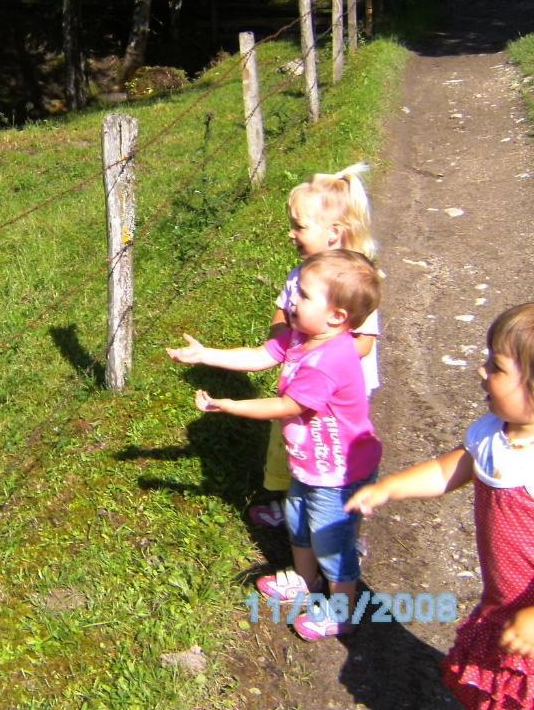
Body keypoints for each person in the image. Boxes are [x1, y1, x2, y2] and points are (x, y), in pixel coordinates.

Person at [167, 249, 382, 640]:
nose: (292, 301)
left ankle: (343, 609)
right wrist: (205, 355)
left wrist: (230, 405)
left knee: (333, 545)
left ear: (337, 316)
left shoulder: (331, 360)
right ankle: (305, 580)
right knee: (299, 526)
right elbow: (263, 354)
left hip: (338, 476)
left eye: (303, 295)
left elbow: (286, 406)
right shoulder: (302, 338)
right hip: (309, 465)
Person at [346, 303, 534, 708]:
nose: (481, 371)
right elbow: (449, 470)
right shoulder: (492, 434)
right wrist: (390, 488)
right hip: (502, 604)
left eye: (497, 367)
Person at [250, 164, 380, 530]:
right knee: (293, 442)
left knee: (332, 454)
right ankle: (294, 500)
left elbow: (364, 345)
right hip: (301, 381)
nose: (292, 234)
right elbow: (280, 315)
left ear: (334, 233)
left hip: (336, 394)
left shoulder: (351, 281)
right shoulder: (302, 276)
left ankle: (341, 526)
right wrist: (283, 338)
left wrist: (308, 349)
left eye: (300, 226)